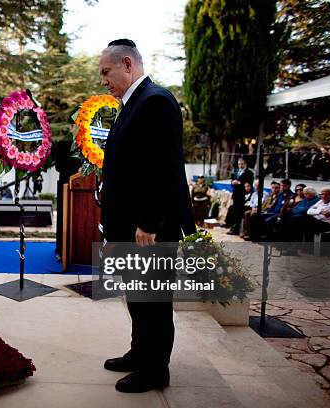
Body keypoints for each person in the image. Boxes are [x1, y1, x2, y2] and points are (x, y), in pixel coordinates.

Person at [98, 39, 195, 393]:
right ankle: (141, 353)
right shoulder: (133, 103)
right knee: (138, 296)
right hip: (130, 224)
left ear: (127, 64)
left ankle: (156, 369)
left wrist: (150, 222)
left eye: (106, 72)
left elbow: (163, 167)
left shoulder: (155, 101)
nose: (104, 80)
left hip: (149, 228)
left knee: (152, 299)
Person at [227, 158, 254, 235]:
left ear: (245, 164)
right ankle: (233, 226)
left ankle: (236, 229)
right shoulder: (236, 171)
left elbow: (249, 185)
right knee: (235, 211)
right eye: (239, 164)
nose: (240, 165)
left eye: (242, 164)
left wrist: (239, 183)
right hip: (235, 194)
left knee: (239, 212)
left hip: (242, 195)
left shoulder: (249, 173)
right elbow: (231, 181)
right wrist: (233, 182)